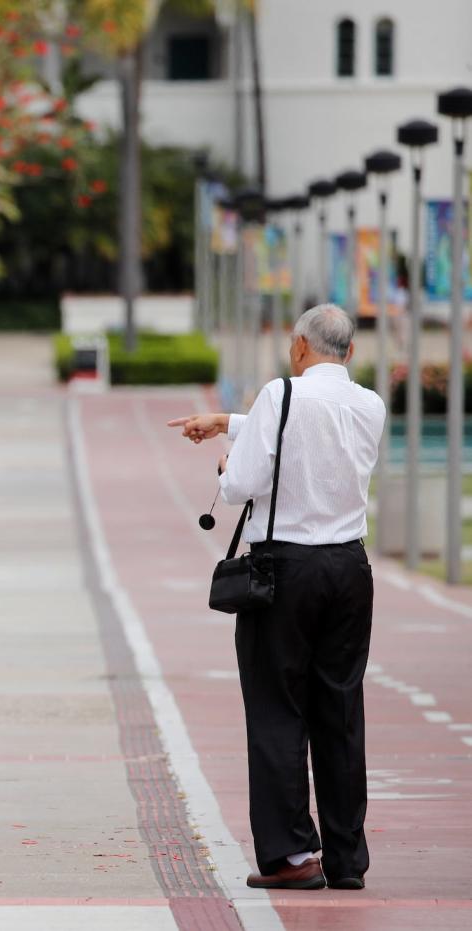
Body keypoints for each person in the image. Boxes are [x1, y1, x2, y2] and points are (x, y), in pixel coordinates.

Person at [167, 304, 385, 892]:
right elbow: (312, 431)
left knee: (277, 707)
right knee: (339, 711)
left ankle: (293, 856)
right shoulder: (370, 405)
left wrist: (226, 456)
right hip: (348, 566)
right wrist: (230, 421)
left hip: (284, 569)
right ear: (350, 353)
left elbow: (240, 483)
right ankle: (346, 859)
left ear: (298, 348)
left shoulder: (279, 393)